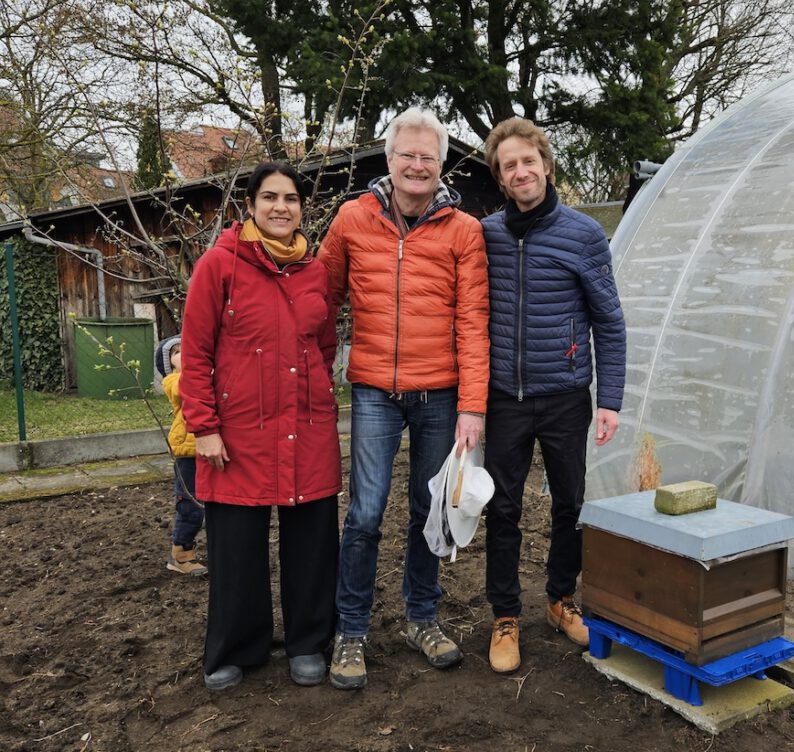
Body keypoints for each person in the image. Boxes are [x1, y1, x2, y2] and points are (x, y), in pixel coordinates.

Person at [317, 106, 490, 690]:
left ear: (441, 165)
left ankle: (422, 617)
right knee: (365, 512)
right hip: (373, 391)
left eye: (428, 157)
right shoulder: (351, 219)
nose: (417, 165)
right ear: (387, 160)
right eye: (407, 155)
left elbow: (473, 321)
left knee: (430, 509)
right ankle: (351, 629)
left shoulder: (462, 231)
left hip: (439, 394)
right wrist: (313, 375)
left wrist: (472, 406)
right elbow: (322, 299)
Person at [180, 161, 342, 691]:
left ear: (301, 209)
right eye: (269, 197)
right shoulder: (218, 266)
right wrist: (204, 425)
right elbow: (196, 351)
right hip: (238, 430)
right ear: (249, 205)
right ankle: (237, 646)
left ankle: (308, 641)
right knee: (236, 548)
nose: (280, 207)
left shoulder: (314, 271)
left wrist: (322, 403)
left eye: (291, 199)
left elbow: (323, 347)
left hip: (307, 425)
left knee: (313, 543)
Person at [480, 118, 626, 674]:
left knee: (570, 503)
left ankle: (561, 599)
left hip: (566, 394)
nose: (521, 171)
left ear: (546, 164)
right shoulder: (485, 235)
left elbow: (608, 322)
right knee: (504, 507)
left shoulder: (584, 234)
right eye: (509, 164)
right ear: (500, 176)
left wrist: (609, 397)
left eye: (528, 160)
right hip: (505, 398)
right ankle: (505, 616)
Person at [155, 335, 206, 577]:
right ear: (169, 364)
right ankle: (181, 554)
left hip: (211, 449)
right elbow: (185, 389)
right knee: (189, 505)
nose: (184, 353)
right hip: (188, 453)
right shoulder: (173, 381)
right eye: (177, 352)